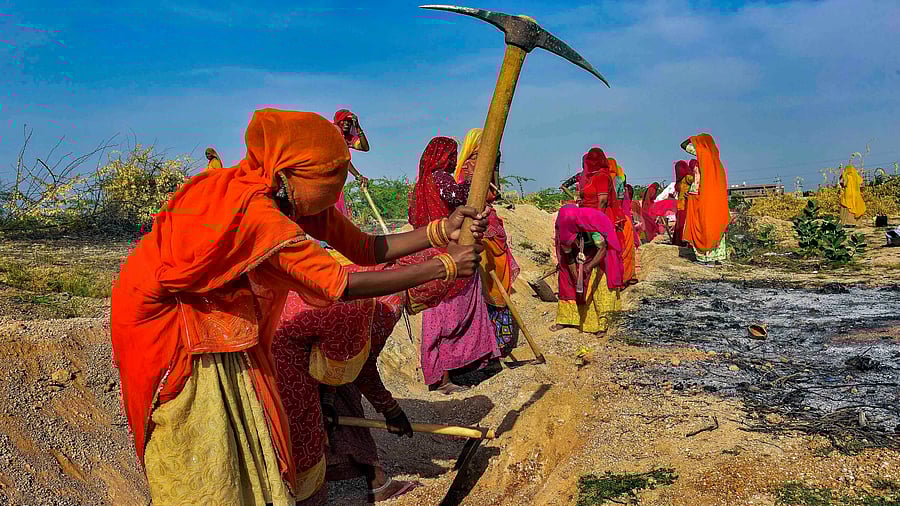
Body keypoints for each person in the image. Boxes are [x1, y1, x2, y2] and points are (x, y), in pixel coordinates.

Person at [110, 109, 487, 506]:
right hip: (171, 326)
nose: (337, 188)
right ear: (293, 175)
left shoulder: (286, 194)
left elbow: (365, 248)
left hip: (220, 321)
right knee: (202, 442)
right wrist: (445, 265)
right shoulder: (258, 215)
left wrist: (442, 230)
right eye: (331, 180)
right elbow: (342, 284)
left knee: (250, 432)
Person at [273, 249, 421, 505]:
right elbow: (361, 369)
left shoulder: (361, 278)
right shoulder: (382, 304)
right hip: (284, 360)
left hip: (302, 345)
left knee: (337, 401)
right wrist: (390, 409)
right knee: (298, 434)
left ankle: (370, 478)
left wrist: (329, 397)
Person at [408, 136, 501, 394]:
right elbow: (460, 197)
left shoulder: (416, 188)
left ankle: (441, 372)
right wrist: (473, 179)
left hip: (425, 253)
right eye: (452, 155)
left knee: (436, 316)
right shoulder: (440, 178)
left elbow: (414, 220)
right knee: (452, 315)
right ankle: (451, 372)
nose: (453, 161)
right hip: (448, 251)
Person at [454, 127, 520, 358]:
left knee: (495, 286)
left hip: (491, 233)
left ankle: (496, 342)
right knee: (487, 288)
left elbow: (496, 191)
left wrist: (495, 163)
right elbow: (483, 196)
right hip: (482, 232)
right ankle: (490, 344)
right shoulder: (470, 168)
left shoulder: (483, 165)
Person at [551, 204, 624, 336]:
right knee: (566, 280)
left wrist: (588, 267)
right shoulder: (564, 229)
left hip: (600, 252)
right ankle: (567, 319)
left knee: (601, 286)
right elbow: (568, 256)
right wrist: (576, 275)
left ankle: (603, 323)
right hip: (579, 253)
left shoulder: (592, 226)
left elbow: (602, 249)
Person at [681, 134, 730, 265]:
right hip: (713, 199)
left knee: (703, 225)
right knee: (714, 223)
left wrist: (692, 138)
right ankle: (717, 257)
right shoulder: (717, 163)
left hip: (701, 198)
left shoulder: (703, 156)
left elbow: (683, 145)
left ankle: (706, 258)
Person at [333, 109, 371, 219]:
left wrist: (358, 127)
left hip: (337, 178)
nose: (346, 124)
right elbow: (342, 159)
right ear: (337, 122)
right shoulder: (333, 133)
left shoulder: (348, 138)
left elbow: (365, 147)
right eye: (343, 121)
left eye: (349, 122)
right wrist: (358, 176)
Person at [672, 160, 694, 246]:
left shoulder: (678, 182)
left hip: (681, 205)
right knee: (684, 223)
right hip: (686, 204)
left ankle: (679, 242)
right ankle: (684, 242)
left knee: (680, 223)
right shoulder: (688, 177)